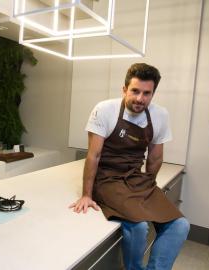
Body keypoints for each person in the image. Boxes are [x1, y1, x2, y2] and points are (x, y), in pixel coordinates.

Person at [69, 63, 190, 270]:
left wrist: (149, 189)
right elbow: (93, 155)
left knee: (180, 225)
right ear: (124, 89)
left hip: (136, 178)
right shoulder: (105, 110)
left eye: (146, 93)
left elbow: (155, 157)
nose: (140, 98)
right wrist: (87, 194)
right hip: (107, 178)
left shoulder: (160, 115)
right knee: (139, 225)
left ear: (153, 94)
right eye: (135, 91)